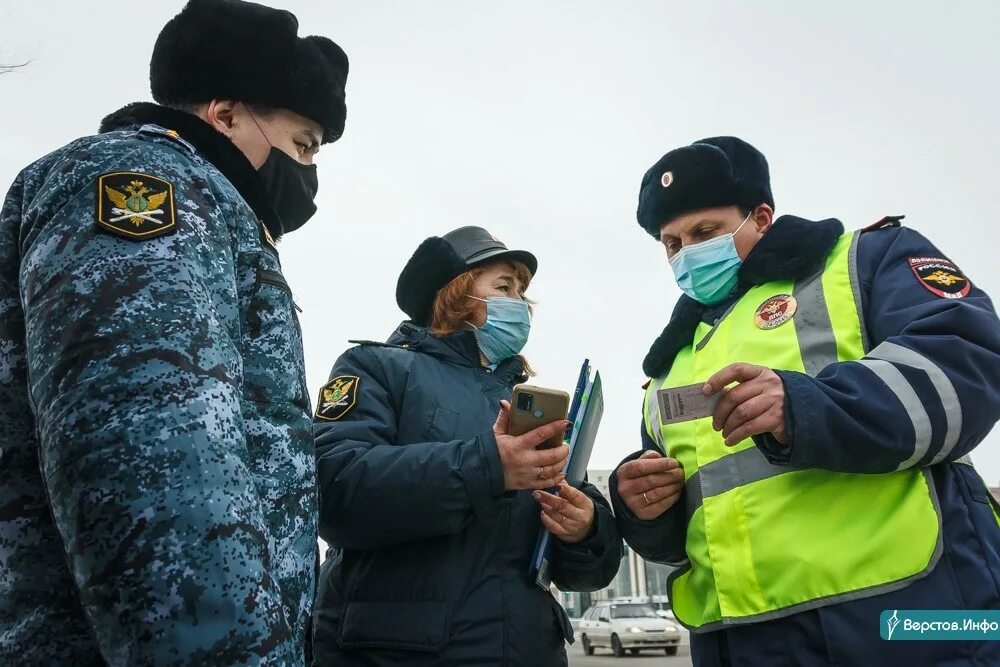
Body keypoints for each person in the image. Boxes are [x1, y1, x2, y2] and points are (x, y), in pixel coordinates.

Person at [0, 1, 348, 663]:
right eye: (303, 143)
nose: (309, 173)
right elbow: (154, 467)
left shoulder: (208, 208)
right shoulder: (151, 189)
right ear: (225, 113)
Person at [609, 136, 1000, 666]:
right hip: (743, 641)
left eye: (705, 232)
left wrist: (805, 406)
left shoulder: (864, 259)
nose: (688, 254)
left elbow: (969, 363)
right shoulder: (667, 367)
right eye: (673, 244)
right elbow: (696, 527)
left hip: (911, 620)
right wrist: (645, 511)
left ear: (762, 218)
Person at [312, 226, 623, 665]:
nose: (519, 302)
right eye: (503, 286)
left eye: (521, 291)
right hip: (402, 652)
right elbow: (336, 489)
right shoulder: (375, 368)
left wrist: (586, 527)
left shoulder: (525, 403)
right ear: (456, 294)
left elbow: (588, 571)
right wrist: (488, 466)